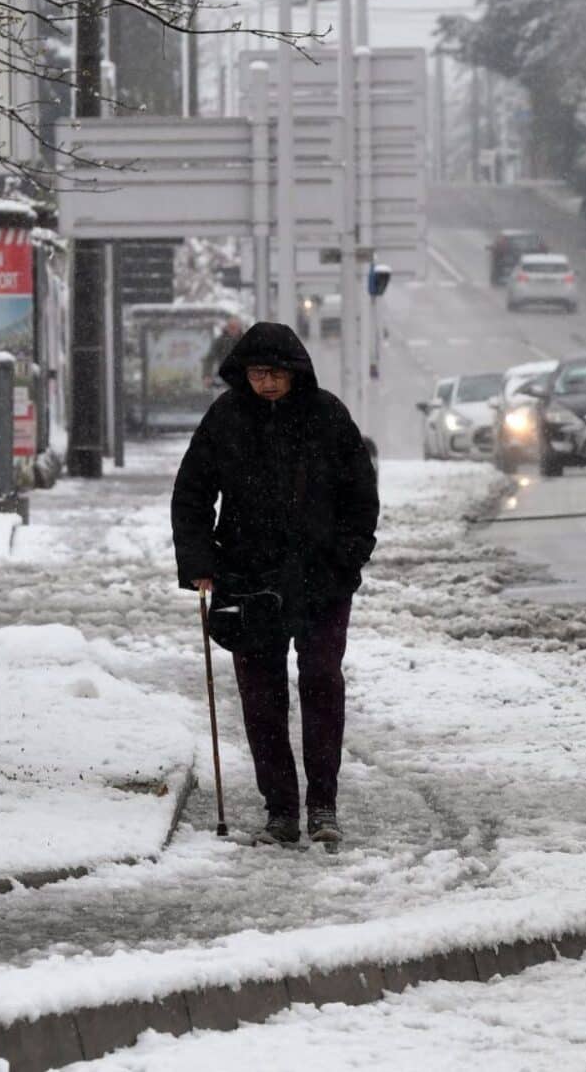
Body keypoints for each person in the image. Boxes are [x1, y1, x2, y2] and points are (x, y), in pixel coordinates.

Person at [170, 322, 379, 846]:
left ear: (294, 373)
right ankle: (280, 810)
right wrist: (199, 561)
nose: (265, 383)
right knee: (261, 699)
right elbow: (192, 494)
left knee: (321, 685)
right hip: (247, 579)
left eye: (274, 374)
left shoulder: (328, 417)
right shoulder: (226, 419)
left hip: (321, 581)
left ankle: (323, 805)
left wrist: (348, 560)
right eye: (257, 373)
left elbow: (361, 496)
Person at [202, 316, 245, 385]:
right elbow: (210, 358)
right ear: (227, 327)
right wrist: (207, 375)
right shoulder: (220, 341)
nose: (232, 330)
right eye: (230, 327)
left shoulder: (246, 341)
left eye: (234, 327)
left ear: (239, 328)